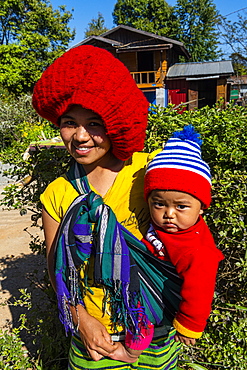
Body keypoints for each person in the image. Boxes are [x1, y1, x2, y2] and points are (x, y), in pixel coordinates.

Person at [32, 45, 181, 369]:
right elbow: (56, 268)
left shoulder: (148, 171)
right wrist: (80, 320)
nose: (80, 136)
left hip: (154, 326)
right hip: (96, 338)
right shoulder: (56, 195)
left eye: (95, 123)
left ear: (117, 122)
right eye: (70, 122)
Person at [142, 125, 224, 346]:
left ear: (201, 208)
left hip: (163, 311)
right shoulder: (166, 228)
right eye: (159, 204)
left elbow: (200, 290)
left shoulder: (195, 248)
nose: (169, 214)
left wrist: (189, 326)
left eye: (181, 207)